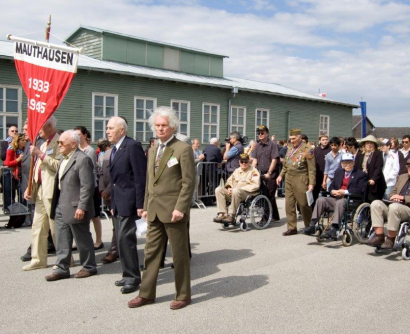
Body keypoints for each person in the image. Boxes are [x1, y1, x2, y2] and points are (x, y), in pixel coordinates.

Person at [127, 106, 195, 310]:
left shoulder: (182, 148)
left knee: (179, 254)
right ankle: (146, 294)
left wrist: (181, 207)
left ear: (172, 126)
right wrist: (146, 205)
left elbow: (188, 182)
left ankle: (183, 294)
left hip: (174, 211)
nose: (160, 129)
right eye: (157, 125)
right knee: (151, 254)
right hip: (155, 210)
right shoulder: (153, 149)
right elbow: (150, 180)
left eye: (164, 125)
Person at [45, 130, 97, 281]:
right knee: (62, 238)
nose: (58, 145)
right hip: (62, 204)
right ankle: (62, 268)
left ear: (73, 144)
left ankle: (89, 266)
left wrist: (82, 206)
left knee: (82, 238)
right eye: (58, 142)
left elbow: (87, 186)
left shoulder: (82, 159)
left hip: (76, 206)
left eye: (61, 142)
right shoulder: (63, 158)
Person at [107, 116, 147, 294]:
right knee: (121, 240)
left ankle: (133, 278)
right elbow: (116, 181)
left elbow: (140, 177)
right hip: (118, 202)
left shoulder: (132, 146)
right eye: (107, 128)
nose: (107, 131)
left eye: (110, 128)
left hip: (130, 202)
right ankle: (127, 273)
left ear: (122, 130)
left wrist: (140, 204)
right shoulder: (115, 148)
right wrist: (113, 203)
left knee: (125, 240)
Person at [23, 116, 61, 271]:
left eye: (40, 126)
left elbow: (60, 166)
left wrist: (41, 155)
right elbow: (38, 168)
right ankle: (38, 259)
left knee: (55, 228)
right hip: (40, 191)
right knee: (37, 227)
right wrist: (30, 187)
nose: (37, 130)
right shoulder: (44, 143)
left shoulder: (59, 141)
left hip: (52, 191)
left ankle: (64, 259)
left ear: (50, 126)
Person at [304, 153, 368, 236]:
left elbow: (361, 189)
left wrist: (344, 192)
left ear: (353, 163)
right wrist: (333, 191)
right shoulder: (339, 172)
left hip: (350, 200)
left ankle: (334, 227)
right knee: (321, 200)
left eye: (350, 162)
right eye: (345, 162)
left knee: (340, 202)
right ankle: (312, 224)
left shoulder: (360, 174)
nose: (347, 165)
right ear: (341, 164)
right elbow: (332, 185)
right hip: (336, 198)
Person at [276, 129, 316, 236]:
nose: (291, 140)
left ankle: (309, 225)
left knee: (303, 203)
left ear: (299, 137)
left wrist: (311, 183)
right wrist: (280, 175)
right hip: (289, 178)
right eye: (290, 138)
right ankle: (292, 227)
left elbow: (312, 169)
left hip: (301, 178)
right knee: (289, 204)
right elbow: (286, 165)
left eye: (294, 138)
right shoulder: (290, 149)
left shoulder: (308, 149)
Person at [367, 158, 410, 248]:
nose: (409, 168)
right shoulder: (403, 177)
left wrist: (403, 198)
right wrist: (393, 197)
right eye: (408, 166)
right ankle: (379, 237)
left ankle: (390, 239)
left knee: (394, 207)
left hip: (407, 209)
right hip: (394, 207)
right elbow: (392, 192)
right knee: (376, 203)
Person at [74, 126, 103, 250]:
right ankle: (81, 241)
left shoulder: (89, 151)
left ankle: (99, 240)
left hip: (90, 186)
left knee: (94, 215)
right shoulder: (75, 149)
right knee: (80, 217)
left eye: (79, 134)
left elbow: (89, 171)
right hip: (78, 187)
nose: (76, 137)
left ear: (85, 135)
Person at [213, 153, 260, 224]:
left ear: (249, 162)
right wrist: (229, 188)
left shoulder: (254, 171)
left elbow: (255, 185)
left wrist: (239, 188)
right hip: (234, 192)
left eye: (246, 162)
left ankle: (231, 215)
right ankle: (222, 214)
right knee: (218, 189)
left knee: (236, 190)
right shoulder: (237, 171)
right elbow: (229, 181)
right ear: (239, 162)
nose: (244, 163)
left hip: (247, 193)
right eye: (242, 162)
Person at [251, 125, 280, 221]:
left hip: (271, 173)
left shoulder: (273, 144)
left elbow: (274, 160)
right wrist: (252, 171)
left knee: (270, 194)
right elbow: (255, 160)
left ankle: (266, 217)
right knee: (263, 194)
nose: (260, 134)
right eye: (259, 133)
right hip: (260, 173)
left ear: (267, 134)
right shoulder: (257, 145)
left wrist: (269, 173)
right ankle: (275, 216)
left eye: (262, 133)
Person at [98, 145, 119, 264]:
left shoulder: (128, 149)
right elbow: (101, 173)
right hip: (107, 194)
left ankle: (114, 250)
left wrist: (108, 190)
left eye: (111, 128)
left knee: (118, 225)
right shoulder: (107, 153)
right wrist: (102, 189)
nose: (108, 131)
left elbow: (121, 175)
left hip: (119, 192)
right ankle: (116, 249)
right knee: (115, 223)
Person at [355, 135, 386, 201]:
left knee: (372, 201)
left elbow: (378, 168)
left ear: (374, 145)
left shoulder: (378, 154)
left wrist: (373, 179)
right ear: (364, 144)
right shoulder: (360, 154)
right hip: (363, 181)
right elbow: (356, 167)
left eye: (371, 143)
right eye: (367, 143)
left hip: (375, 184)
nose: (369, 145)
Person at [313, 135, 331, 202]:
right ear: (320, 141)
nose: (325, 141)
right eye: (323, 140)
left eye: (326, 139)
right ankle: (313, 209)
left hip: (326, 175)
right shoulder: (316, 150)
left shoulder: (330, 150)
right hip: (317, 174)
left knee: (325, 194)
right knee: (315, 193)